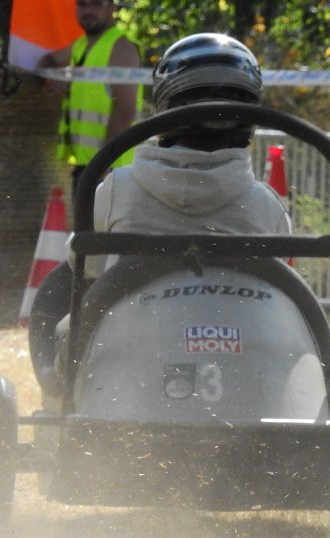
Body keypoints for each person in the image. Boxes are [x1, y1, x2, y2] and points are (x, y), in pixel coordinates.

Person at [37, 33, 291, 394]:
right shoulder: (266, 205)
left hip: (134, 352)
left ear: (165, 109)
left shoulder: (118, 189)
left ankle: (58, 398)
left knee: (64, 315)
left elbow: (87, 269)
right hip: (243, 359)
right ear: (249, 114)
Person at [36, 0, 143, 200]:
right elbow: (46, 60)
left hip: (112, 169)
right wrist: (48, 77)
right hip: (90, 166)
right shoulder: (81, 45)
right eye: (82, 4)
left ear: (111, 8)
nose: (88, 11)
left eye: (96, 4)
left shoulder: (121, 47)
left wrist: (103, 163)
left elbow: (125, 110)